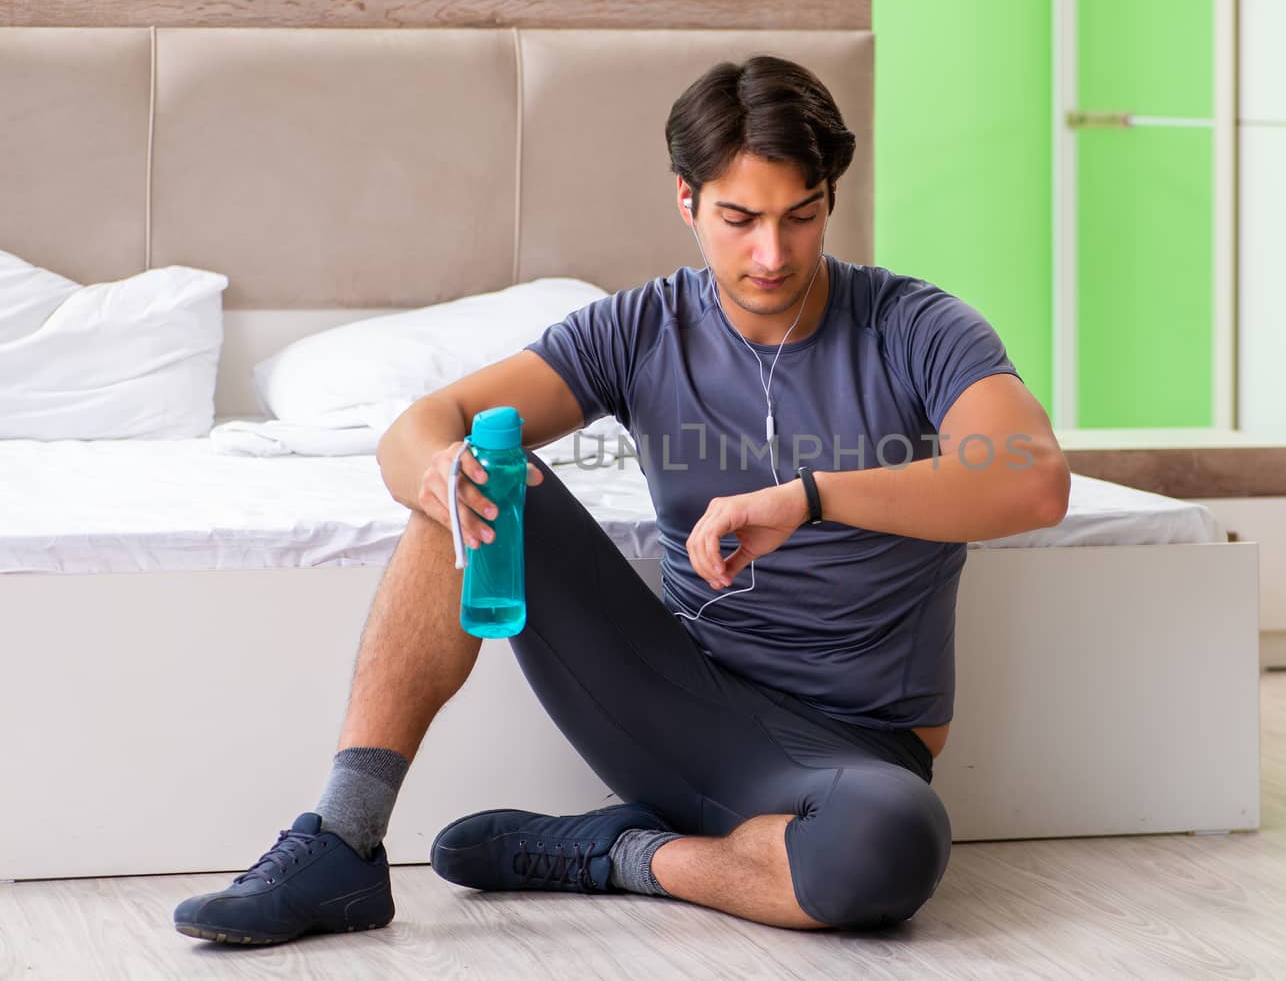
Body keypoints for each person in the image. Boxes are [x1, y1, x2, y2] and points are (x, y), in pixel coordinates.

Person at [173, 55, 1070, 945]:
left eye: (800, 216)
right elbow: (426, 421)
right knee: (475, 472)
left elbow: (1031, 481)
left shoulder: (915, 327)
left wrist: (810, 498)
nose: (771, 253)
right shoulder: (643, 328)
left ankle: (621, 854)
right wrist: (438, 473)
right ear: (686, 199)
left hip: (857, 752)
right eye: (739, 218)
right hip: (674, 702)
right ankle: (343, 839)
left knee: (887, 851)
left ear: (830, 195)